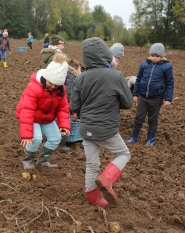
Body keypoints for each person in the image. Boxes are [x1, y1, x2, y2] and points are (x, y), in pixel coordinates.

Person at [70, 37, 133, 208]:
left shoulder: (81, 78)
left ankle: (93, 198)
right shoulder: (116, 76)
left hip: (87, 128)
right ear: (106, 53)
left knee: (92, 164)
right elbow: (128, 103)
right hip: (107, 129)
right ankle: (107, 178)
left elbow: (73, 106)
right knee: (123, 154)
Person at [16, 53, 71, 169]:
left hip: (47, 118)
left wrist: (64, 125)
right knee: (36, 138)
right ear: (46, 77)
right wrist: (26, 135)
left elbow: (63, 108)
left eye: (56, 85)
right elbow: (27, 110)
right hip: (33, 117)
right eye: (50, 83)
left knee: (56, 138)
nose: (52, 87)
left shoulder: (61, 90)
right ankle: (28, 160)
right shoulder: (34, 87)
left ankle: (43, 160)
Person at [127, 43, 174, 146]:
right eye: (153, 55)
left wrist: (168, 99)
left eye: (157, 56)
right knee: (139, 118)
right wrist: (135, 94)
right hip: (143, 96)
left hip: (156, 98)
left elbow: (170, 83)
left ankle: (150, 140)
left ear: (162, 56)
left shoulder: (167, 67)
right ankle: (134, 137)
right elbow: (138, 79)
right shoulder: (144, 64)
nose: (154, 58)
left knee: (153, 119)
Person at [57, 58, 82, 151]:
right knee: (65, 121)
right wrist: (73, 111)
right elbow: (70, 96)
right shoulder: (72, 78)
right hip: (65, 106)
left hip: (62, 105)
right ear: (75, 70)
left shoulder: (67, 75)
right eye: (80, 70)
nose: (81, 72)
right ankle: (62, 143)